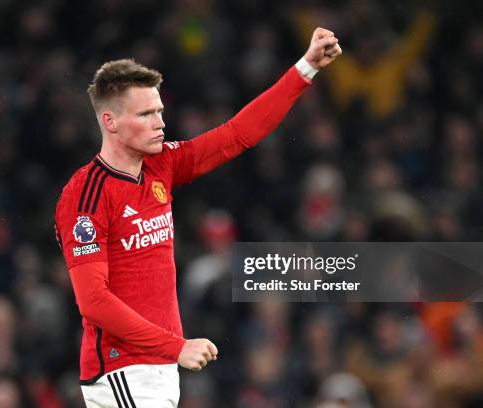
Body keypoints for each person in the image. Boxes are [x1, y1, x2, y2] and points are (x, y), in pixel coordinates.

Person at [54, 27, 342, 408]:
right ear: (110, 122)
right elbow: (93, 301)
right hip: (122, 372)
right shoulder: (85, 195)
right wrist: (177, 346)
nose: (160, 122)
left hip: (158, 369)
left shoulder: (161, 165)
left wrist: (305, 68)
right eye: (146, 114)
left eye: (160, 111)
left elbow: (238, 134)